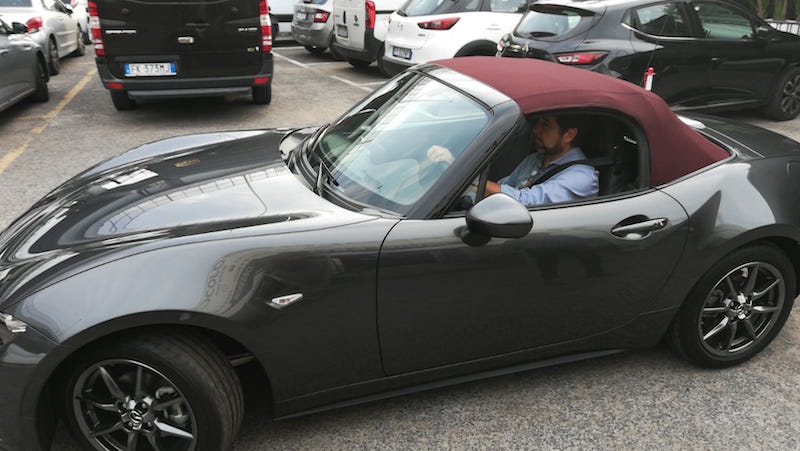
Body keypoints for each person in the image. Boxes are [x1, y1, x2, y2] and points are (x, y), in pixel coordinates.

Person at [428, 115, 599, 207]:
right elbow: (505, 186)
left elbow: (527, 202)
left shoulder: (582, 177)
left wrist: (464, 175)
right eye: (538, 122)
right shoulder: (536, 159)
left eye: (545, 125)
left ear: (569, 135)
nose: (536, 129)